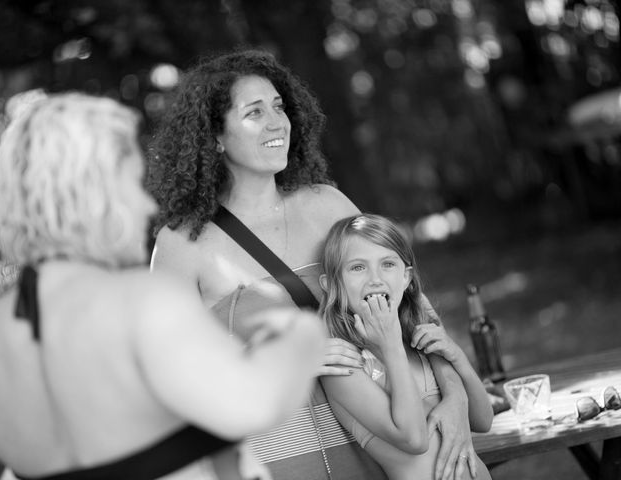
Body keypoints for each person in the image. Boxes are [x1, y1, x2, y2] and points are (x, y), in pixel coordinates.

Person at [149, 48, 481, 480]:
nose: (276, 122)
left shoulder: (328, 206)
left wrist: (454, 398)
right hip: (282, 462)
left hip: (394, 455)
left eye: (279, 106)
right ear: (214, 136)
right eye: (254, 112)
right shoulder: (182, 244)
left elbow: (414, 314)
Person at [0, 92, 326, 480]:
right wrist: (297, 332)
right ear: (94, 196)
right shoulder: (139, 304)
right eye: (130, 185)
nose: (146, 207)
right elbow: (256, 403)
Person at [319, 214, 493, 480]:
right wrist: (390, 346)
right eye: (357, 267)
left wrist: (456, 356)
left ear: (406, 278)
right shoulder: (344, 366)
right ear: (332, 285)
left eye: (388, 264)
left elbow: (483, 420)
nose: (375, 279)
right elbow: (414, 440)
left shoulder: (420, 341)